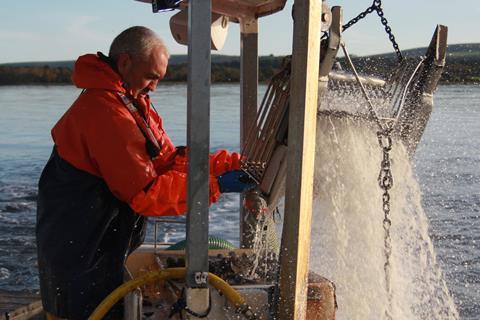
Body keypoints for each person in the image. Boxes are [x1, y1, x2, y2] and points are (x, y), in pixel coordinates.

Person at [36, 26, 255, 320]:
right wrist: (215, 186)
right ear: (125, 62)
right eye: (152, 76)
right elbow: (147, 193)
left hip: (101, 247)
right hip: (80, 254)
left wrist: (228, 164)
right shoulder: (106, 112)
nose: (154, 86)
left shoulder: (131, 104)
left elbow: (166, 160)